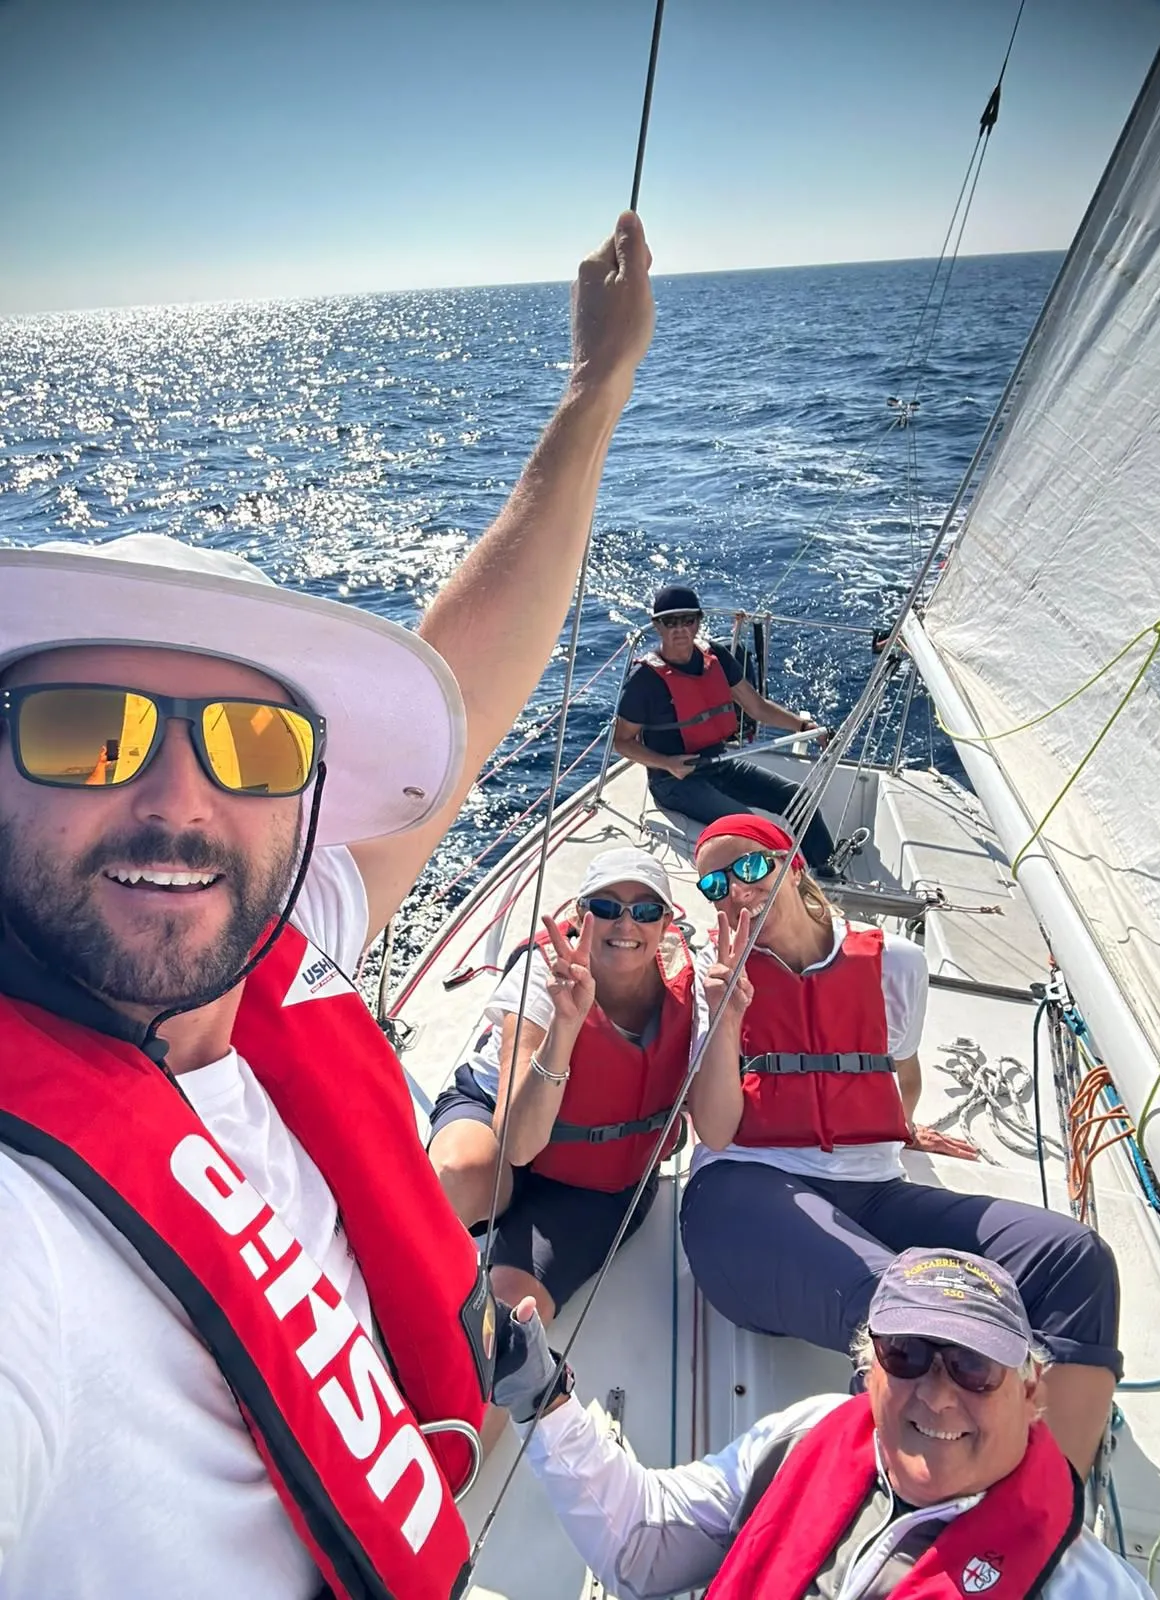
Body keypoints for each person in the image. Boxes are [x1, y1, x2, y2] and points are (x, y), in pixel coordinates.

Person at [0, 213, 653, 1600]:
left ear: (304, 806)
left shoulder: (265, 960)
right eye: (87, 728)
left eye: (249, 744)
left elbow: (461, 708)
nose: (178, 801)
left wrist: (594, 391)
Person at [681, 814, 1121, 1482]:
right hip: (742, 1200)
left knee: (1074, 1259)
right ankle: (920, 1509)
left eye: (749, 868)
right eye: (715, 884)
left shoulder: (896, 964)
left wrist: (894, 1125)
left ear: (793, 865)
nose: (735, 893)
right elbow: (713, 1130)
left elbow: (901, 1074)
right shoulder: (711, 983)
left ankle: (1049, 1502)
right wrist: (727, 1016)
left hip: (870, 1192)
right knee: (912, 1304)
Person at [503, 1248, 1152, 1599]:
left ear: (1030, 1387)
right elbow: (641, 1544)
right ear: (870, 1367)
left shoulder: (1077, 1584)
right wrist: (544, 1401)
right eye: (908, 1355)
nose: (938, 1395)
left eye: (973, 1366)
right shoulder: (808, 1436)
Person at [428, 847, 696, 1327]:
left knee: (507, 1321)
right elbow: (517, 1143)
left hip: (597, 1177)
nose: (626, 925)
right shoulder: (542, 977)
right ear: (581, 914)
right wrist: (565, 1026)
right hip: (502, 1127)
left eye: (646, 911)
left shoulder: (692, 992)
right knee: (454, 1173)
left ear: (665, 923)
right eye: (607, 907)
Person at [613, 583, 835, 869]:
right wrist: (667, 763)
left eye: (687, 620)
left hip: (721, 763)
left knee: (799, 798)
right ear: (657, 626)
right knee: (752, 827)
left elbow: (756, 707)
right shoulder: (643, 679)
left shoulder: (715, 656)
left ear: (698, 622)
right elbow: (622, 741)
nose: (679, 629)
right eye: (670, 622)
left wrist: (801, 725)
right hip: (675, 781)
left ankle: (828, 872)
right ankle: (789, 888)